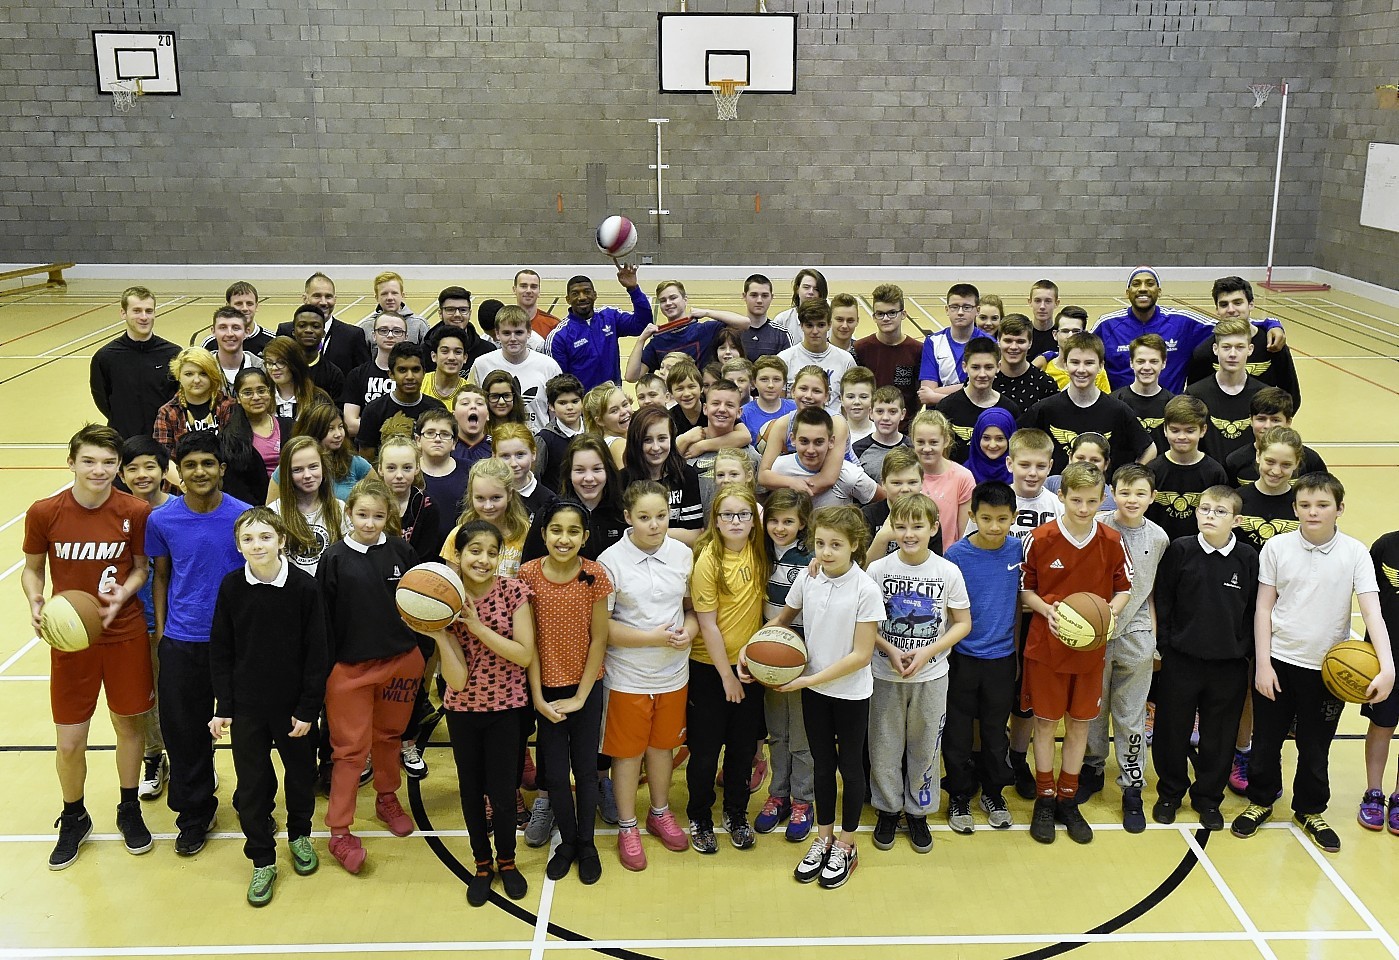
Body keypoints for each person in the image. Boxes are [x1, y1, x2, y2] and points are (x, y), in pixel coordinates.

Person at [1231, 472, 1395, 852]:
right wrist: (1263, 663)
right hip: (1279, 661)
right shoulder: (1276, 547)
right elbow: (1263, 608)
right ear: (1294, 508)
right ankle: (1261, 801)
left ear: (1339, 509)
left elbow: (1373, 613)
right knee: (1267, 740)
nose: (1313, 512)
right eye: (1304, 505)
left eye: (1322, 505)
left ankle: (1309, 809)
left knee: (1315, 743)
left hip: (1328, 670)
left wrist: (1386, 666)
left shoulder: (1354, 552)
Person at [24, 425, 155, 870]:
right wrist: (36, 599)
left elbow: (140, 568)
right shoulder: (45, 512)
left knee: (129, 727)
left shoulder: (134, 511)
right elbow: (32, 570)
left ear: (118, 467)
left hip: (124, 634)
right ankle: (74, 814)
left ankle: (128, 807)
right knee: (69, 741)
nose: (99, 470)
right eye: (89, 461)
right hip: (70, 640)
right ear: (72, 462)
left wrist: (126, 592)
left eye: (107, 462)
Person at [208, 507, 329, 906]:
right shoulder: (231, 587)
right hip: (247, 709)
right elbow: (222, 651)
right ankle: (262, 857)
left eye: (264, 537)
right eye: (248, 539)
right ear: (238, 545)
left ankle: (299, 836)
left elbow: (317, 654)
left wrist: (309, 708)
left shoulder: (304, 588)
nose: (257, 545)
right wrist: (224, 706)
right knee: (254, 785)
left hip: (294, 709)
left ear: (281, 540)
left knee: (299, 776)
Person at [761, 505, 884, 889]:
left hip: (849, 693)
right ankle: (824, 836)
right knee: (820, 765)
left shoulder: (866, 589)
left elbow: (861, 655)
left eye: (835, 544)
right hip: (814, 692)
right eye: (820, 543)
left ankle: (847, 844)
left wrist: (804, 681)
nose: (826, 552)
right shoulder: (808, 578)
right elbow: (783, 618)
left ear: (854, 545)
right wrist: (757, 649)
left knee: (850, 766)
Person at [146, 431, 251, 856]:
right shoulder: (163, 520)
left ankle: (252, 800)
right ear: (179, 472)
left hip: (236, 644)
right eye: (190, 465)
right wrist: (163, 632)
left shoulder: (245, 517)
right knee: (185, 733)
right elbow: (162, 576)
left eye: (208, 463)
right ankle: (194, 812)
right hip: (182, 642)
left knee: (249, 733)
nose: (199, 472)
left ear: (222, 469)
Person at [316, 478, 427, 872]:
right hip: (349, 670)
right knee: (349, 751)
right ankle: (340, 833)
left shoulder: (402, 551)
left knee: (389, 737)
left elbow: (420, 607)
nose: (369, 522)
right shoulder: (333, 558)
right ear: (349, 514)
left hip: (400, 663)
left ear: (389, 517)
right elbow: (323, 620)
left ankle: (386, 797)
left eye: (378, 516)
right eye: (362, 514)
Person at [1019, 461, 1133, 845]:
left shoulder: (1113, 541)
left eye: (1090, 501)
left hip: (1090, 650)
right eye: (1075, 500)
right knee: (1046, 724)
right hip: (1046, 647)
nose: (1083, 508)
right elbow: (1025, 589)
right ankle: (1045, 798)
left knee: (1080, 724)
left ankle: (1068, 799)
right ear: (1062, 498)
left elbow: (1124, 590)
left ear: (1103, 499)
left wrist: (1107, 616)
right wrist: (1046, 608)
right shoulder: (1041, 537)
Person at [425, 520, 536, 905]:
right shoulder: (446, 601)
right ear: (457, 554)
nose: (484, 559)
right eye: (475, 551)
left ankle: (507, 860)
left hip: (507, 709)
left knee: (504, 794)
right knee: (471, 793)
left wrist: (476, 627)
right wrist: (441, 633)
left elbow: (523, 654)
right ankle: (482, 864)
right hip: (464, 712)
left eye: (492, 552)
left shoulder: (514, 591)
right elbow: (455, 681)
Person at [597, 482, 698, 872]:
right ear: (627, 518)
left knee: (662, 749)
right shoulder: (611, 561)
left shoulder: (683, 554)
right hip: (627, 677)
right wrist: (651, 638)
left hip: (673, 674)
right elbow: (602, 628)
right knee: (627, 754)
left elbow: (690, 609)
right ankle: (627, 826)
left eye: (661, 516)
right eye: (644, 518)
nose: (655, 525)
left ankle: (659, 813)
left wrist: (689, 630)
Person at [866, 493, 971, 854]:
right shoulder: (878, 570)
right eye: (901, 526)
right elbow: (864, 624)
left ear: (934, 527)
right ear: (892, 528)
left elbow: (962, 623)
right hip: (884, 673)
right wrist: (890, 649)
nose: (909, 533)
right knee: (884, 744)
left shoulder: (947, 571)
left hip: (931, 676)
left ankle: (919, 810)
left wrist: (928, 650)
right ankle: (888, 809)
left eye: (917, 526)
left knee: (925, 744)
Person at [1151, 485, 1258, 831]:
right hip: (1182, 661)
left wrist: (1245, 653)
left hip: (1228, 665)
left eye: (1220, 511)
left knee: (1219, 736)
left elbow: (1254, 610)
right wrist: (1165, 647)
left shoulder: (1248, 558)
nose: (1210, 516)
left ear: (1237, 520)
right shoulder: (1180, 550)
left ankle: (1208, 798)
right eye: (1205, 509)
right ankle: (1169, 793)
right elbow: (1164, 601)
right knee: (1172, 730)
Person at [519, 500, 613, 878]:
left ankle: (587, 844)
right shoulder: (527, 575)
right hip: (544, 688)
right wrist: (539, 697)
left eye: (574, 531)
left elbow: (599, 640)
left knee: (586, 771)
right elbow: (530, 642)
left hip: (586, 688)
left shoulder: (595, 576)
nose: (564, 538)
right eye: (556, 529)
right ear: (543, 534)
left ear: (585, 537)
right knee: (555, 774)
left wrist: (580, 696)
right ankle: (568, 841)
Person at [1079, 464, 1170, 831]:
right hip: (1095, 632)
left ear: (1152, 497)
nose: (1132, 499)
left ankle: (1132, 786)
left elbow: (1152, 593)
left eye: (1140, 493)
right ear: (1111, 492)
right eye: (1125, 492)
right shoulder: (1097, 526)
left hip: (1135, 633)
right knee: (1092, 709)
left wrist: (1155, 640)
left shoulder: (1159, 538)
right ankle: (1092, 768)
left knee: (1131, 715)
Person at [684, 484, 770, 854]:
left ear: (753, 520)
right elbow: (708, 625)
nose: (736, 521)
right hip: (710, 670)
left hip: (749, 669)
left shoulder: (759, 550)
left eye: (743, 514)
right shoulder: (707, 560)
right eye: (727, 515)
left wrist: (744, 669)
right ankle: (700, 815)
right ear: (715, 521)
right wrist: (727, 677)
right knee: (704, 753)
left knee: (741, 750)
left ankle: (736, 814)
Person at [943, 481, 1021, 831]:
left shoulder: (1018, 551)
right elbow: (946, 610)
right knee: (958, 733)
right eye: (986, 518)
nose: (994, 526)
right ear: (971, 515)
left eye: (1002, 519)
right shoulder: (956, 556)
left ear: (1013, 518)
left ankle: (993, 791)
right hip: (962, 658)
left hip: (1002, 660)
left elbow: (1020, 606)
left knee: (994, 733)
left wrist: (1016, 651)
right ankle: (959, 795)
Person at [1094, 266, 1283, 393]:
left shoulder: (1182, 322)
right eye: (1136, 284)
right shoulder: (1107, 324)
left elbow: (1231, 325)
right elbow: (1077, 349)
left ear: (1159, 291)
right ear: (1127, 293)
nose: (1143, 289)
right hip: (1124, 412)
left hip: (1170, 415)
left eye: (1150, 284)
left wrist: (1270, 323)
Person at [1002, 427, 1066, 796]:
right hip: (1000, 611)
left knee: (1028, 692)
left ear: (1050, 467)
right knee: (999, 689)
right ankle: (990, 757)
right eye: (1024, 464)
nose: (1031, 472)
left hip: (1040, 614)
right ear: (1009, 463)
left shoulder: (1056, 507)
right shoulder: (996, 501)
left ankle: (1018, 756)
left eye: (1040, 466)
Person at [754, 489, 817, 841]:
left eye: (788, 521)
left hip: (803, 654)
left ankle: (803, 800)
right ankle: (777, 794)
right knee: (777, 731)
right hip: (768, 655)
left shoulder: (811, 558)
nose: (780, 528)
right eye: (774, 520)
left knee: (802, 734)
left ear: (802, 523)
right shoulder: (758, 551)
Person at [1018, 332, 1155, 477]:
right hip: (1058, 496)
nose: (1081, 370)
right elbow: (1016, 442)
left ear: (1101, 366)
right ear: (1065, 364)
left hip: (1101, 496)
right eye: (1075, 362)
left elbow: (1150, 449)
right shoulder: (1045, 409)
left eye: (1089, 363)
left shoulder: (1118, 410)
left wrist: (1127, 481)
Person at [119, 437, 172, 803]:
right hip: (133, 623)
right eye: (132, 468)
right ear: (121, 473)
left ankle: (194, 757)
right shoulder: (117, 514)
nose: (141, 475)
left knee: (186, 696)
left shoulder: (178, 511)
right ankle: (155, 756)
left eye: (149, 466)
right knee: (145, 697)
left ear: (164, 470)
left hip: (176, 623)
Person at [1187, 276, 1302, 413]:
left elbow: (1291, 395)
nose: (1231, 310)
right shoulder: (1204, 352)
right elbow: (1194, 400)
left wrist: (1274, 424)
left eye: (1237, 303)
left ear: (1251, 304)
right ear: (1217, 309)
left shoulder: (1273, 344)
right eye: (1224, 304)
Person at [90, 285, 180, 441]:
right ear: (123, 313)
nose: (144, 317)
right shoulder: (105, 357)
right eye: (137, 311)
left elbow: (179, 396)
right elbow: (102, 398)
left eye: (149, 311)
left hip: (163, 440)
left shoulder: (173, 354)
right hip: (124, 439)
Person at [548, 266, 653, 392]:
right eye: (575, 293)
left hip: (613, 398)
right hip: (584, 404)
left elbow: (642, 324)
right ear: (568, 299)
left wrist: (633, 288)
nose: (582, 297)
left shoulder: (610, 316)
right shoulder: (559, 336)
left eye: (587, 292)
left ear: (595, 295)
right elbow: (559, 381)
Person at [524, 435, 627, 562]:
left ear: (608, 470)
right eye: (580, 470)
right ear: (569, 473)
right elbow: (529, 566)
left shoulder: (623, 513)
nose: (589, 478)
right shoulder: (549, 513)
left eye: (596, 469)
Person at [756, 366, 851, 499]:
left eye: (816, 391)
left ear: (826, 397)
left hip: (841, 482)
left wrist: (794, 491)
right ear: (793, 391)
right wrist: (791, 482)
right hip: (801, 482)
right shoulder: (783, 424)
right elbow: (763, 475)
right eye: (803, 389)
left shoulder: (837, 423)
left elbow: (828, 478)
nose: (808, 396)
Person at [1358, 528, 1399, 834]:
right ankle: (1374, 792)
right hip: (1386, 657)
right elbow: (1367, 597)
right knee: (1382, 726)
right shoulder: (1386, 545)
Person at [623, 280, 749, 380]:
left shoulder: (705, 330)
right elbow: (632, 377)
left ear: (685, 300)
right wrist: (641, 339)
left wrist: (707, 312)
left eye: (673, 298)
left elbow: (745, 323)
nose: (668, 303)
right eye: (663, 300)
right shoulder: (658, 342)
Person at [1146, 395, 1230, 542]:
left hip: (1201, 552)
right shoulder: (1153, 470)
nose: (1182, 437)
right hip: (1159, 549)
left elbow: (1221, 517)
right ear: (1165, 430)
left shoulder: (1215, 472)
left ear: (1203, 430)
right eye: (1175, 430)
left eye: (1190, 431)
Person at [1187, 317, 1269, 467]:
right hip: (1211, 481)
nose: (1232, 354)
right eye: (1226, 347)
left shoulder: (1264, 394)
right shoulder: (1195, 394)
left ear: (1250, 349)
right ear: (1215, 349)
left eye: (1239, 347)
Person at [469, 305, 562, 432]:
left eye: (518, 332)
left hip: (539, 444)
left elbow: (557, 411)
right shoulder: (481, 365)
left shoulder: (549, 366)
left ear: (529, 332)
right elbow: (471, 406)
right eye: (506, 333)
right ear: (497, 334)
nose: (513, 339)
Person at [620, 406, 704, 545]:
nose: (656, 447)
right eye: (647, 440)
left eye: (662, 438)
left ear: (672, 438)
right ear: (636, 441)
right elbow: (624, 534)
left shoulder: (686, 475)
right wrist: (673, 532)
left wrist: (644, 530)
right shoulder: (622, 480)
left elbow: (694, 536)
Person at [269, 436, 349, 576]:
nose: (307, 475)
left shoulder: (339, 508)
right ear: (287, 474)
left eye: (313, 467)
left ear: (323, 468)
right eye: (297, 470)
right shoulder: (274, 512)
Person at [355, 342, 447, 462]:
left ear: (424, 372)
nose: (410, 376)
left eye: (415, 370)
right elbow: (366, 463)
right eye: (402, 370)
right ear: (391, 374)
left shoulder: (437, 410)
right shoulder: (373, 411)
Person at [771, 407, 880, 509]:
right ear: (793, 439)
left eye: (818, 442)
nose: (810, 450)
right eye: (804, 441)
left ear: (831, 442)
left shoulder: (849, 475)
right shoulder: (778, 469)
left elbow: (885, 502)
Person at [935, 338, 1021, 463]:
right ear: (965, 367)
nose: (982, 374)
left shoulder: (1009, 409)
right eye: (975, 367)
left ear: (998, 367)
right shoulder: (946, 407)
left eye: (988, 367)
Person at [444, 457, 530, 578]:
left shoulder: (526, 532)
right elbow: (452, 584)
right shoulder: (458, 535)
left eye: (496, 498)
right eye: (480, 498)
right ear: (471, 496)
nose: (488, 506)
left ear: (509, 494)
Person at [851, 283, 923, 427]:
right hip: (869, 428)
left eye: (892, 313)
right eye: (880, 314)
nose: (886, 318)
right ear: (874, 317)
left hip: (904, 430)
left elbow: (920, 395)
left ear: (903, 314)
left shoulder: (918, 350)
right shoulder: (860, 349)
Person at [152, 348, 235, 472]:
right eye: (189, 374)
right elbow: (163, 458)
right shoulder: (167, 412)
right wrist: (186, 484)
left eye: (203, 373)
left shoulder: (229, 406)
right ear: (178, 375)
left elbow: (233, 452)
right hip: (180, 486)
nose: (196, 380)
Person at [1224, 387, 1327, 487]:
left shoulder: (1311, 460)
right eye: (1261, 419)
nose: (1268, 426)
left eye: (1275, 420)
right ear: (1251, 420)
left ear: (1288, 422)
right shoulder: (1235, 461)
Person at [275, 273, 371, 376]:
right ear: (305, 298)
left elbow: (363, 376)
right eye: (317, 296)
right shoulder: (285, 331)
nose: (323, 302)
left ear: (335, 299)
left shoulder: (352, 335)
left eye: (328, 296)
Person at [219, 368, 289, 507]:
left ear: (269, 392)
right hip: (253, 511)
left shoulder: (290, 426)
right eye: (247, 393)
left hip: (294, 504)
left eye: (261, 390)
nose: (256, 397)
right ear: (238, 398)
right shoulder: (230, 438)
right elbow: (236, 488)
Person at [279, 403, 375, 501]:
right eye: (331, 429)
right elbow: (272, 510)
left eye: (340, 427)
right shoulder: (290, 464)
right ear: (314, 431)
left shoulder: (355, 462)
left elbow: (379, 497)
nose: (338, 434)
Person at [779, 299, 855, 417]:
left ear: (829, 325)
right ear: (801, 326)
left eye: (820, 325)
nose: (815, 331)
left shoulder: (846, 360)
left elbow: (849, 404)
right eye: (809, 325)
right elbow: (779, 404)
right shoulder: (785, 359)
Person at [910, 409, 972, 552]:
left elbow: (965, 534)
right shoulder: (905, 476)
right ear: (912, 440)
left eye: (933, 442)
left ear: (946, 441)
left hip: (947, 559)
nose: (926, 448)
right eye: (920, 442)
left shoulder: (962, 477)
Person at [918, 283, 991, 405]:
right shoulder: (933, 342)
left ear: (977, 310)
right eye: (955, 307)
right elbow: (927, 395)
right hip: (940, 416)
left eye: (967, 307)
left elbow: (988, 390)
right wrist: (972, 388)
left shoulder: (989, 343)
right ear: (947, 309)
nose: (960, 312)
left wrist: (937, 395)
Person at [1236, 427, 1303, 553]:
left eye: (1286, 464)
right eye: (1270, 462)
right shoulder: (1236, 500)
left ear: (1296, 463)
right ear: (1258, 455)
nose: (1276, 471)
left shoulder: (1303, 503)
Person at [379, 435, 442, 563]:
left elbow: (425, 555)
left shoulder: (427, 505)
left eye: (407, 468)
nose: (399, 475)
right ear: (380, 469)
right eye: (391, 468)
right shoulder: (370, 503)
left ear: (417, 468)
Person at [342, 312, 404, 440]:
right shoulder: (357, 375)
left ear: (406, 337)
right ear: (374, 336)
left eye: (397, 331)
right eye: (383, 330)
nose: (390, 335)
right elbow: (350, 425)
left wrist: (367, 425)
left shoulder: (413, 375)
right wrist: (395, 428)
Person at [1111, 333, 1173, 456]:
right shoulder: (1114, 402)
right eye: (1140, 361)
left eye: (1154, 361)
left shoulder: (1173, 404)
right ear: (1131, 363)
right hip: (1123, 474)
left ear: (1164, 363)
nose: (1146, 367)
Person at [416, 408, 469, 546]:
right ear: (418, 440)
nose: (437, 439)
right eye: (430, 433)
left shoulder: (471, 472)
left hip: (460, 548)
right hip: (416, 550)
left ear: (454, 443)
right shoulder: (408, 472)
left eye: (445, 434)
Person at [1035, 307, 1112, 393]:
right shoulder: (1043, 369)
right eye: (1065, 331)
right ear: (1055, 335)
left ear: (1084, 333)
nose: (1070, 336)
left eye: (1076, 331)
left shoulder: (1097, 372)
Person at [262, 335, 333, 427]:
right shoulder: (263, 399)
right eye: (269, 363)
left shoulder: (317, 398)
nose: (274, 368)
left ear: (294, 364)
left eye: (281, 362)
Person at [992, 314, 1058, 412]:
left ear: (1030, 343)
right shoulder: (984, 378)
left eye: (1020, 341)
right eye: (1008, 341)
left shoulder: (1045, 384)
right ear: (998, 341)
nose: (1013, 347)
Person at [493, 422, 557, 522]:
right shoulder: (485, 495)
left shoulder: (548, 500)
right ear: (494, 457)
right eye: (505, 456)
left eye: (520, 454)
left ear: (533, 454)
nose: (513, 463)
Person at [537, 374, 587, 490]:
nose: (570, 407)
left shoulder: (595, 430)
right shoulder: (544, 439)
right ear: (551, 406)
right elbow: (535, 478)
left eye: (575, 401)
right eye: (563, 403)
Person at [288, 305, 347, 402]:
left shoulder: (333, 374)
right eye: (302, 326)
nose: (308, 330)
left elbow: (337, 412)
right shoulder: (282, 369)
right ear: (294, 332)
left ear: (323, 333)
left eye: (315, 326)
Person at [202, 282, 276, 357]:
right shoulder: (210, 343)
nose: (245, 308)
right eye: (239, 303)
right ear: (228, 306)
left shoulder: (272, 341)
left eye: (249, 304)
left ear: (256, 306)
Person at [855, 386, 912, 483]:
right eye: (880, 411)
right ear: (871, 413)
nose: (885, 417)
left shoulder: (912, 448)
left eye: (892, 412)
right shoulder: (858, 450)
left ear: (902, 414)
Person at [356, 271, 430, 345]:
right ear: (377, 298)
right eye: (384, 294)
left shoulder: (419, 325)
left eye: (394, 293)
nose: (390, 298)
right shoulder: (366, 327)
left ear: (402, 295)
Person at [208, 306, 264, 391]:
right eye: (223, 328)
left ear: (246, 332)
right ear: (213, 331)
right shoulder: (203, 368)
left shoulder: (262, 368)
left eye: (236, 328)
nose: (229, 334)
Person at [581, 381, 633, 465]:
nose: (623, 412)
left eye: (625, 404)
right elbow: (627, 477)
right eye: (614, 411)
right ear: (600, 421)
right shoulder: (618, 444)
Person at [966, 407, 1016, 485]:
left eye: (1000, 438)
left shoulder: (1021, 472)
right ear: (977, 438)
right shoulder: (964, 473)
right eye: (986, 438)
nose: (992, 445)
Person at [424, 326, 470, 409]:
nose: (451, 357)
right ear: (434, 356)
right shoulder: (420, 384)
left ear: (465, 358)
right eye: (445, 351)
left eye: (458, 352)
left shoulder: (470, 393)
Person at [512, 269, 560, 338]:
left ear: (539, 291)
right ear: (514, 290)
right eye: (523, 286)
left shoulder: (553, 325)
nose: (528, 291)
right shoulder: (503, 322)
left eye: (533, 287)